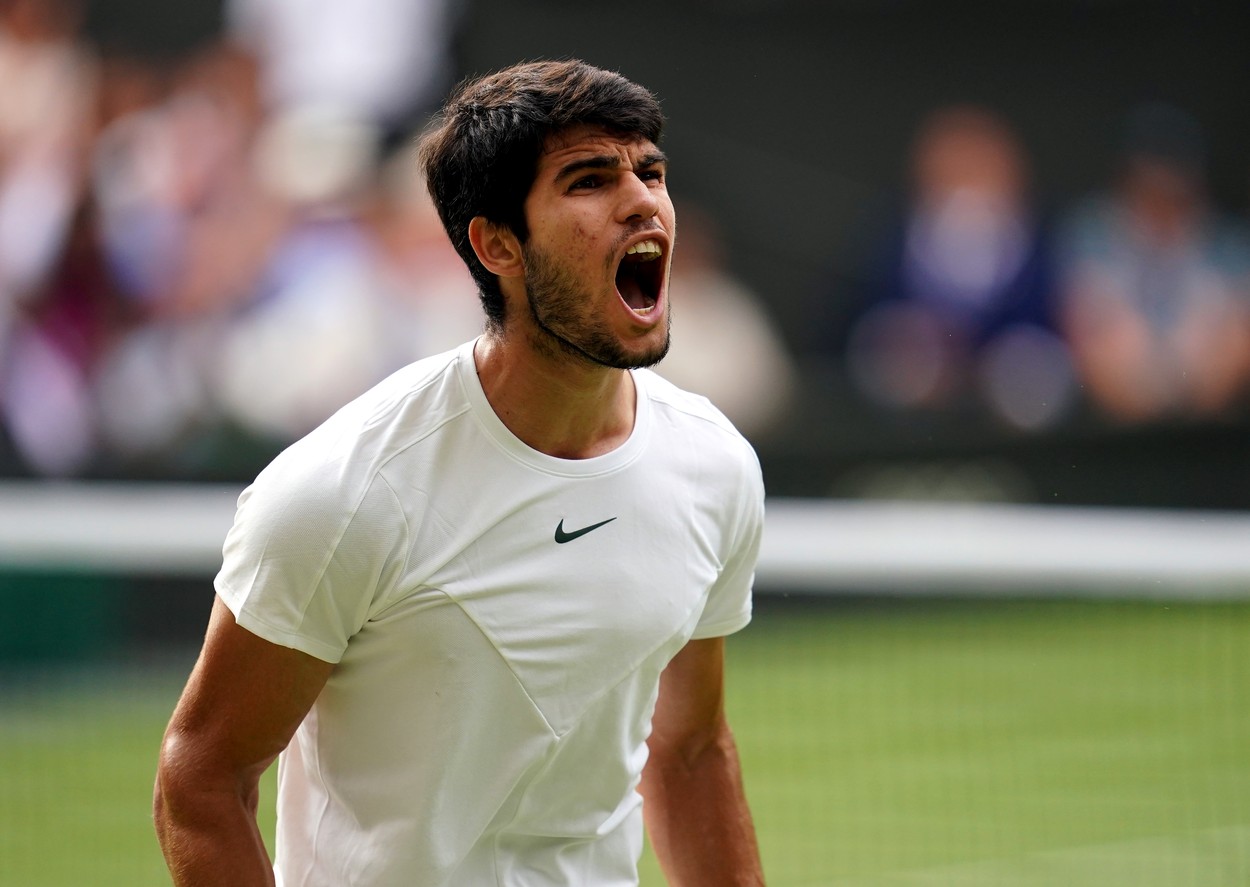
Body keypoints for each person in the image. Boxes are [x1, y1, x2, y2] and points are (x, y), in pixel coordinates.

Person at [153, 59, 767, 886]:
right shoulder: (343, 492)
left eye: (650, 171)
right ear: (496, 244)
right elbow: (200, 778)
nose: (642, 199)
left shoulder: (714, 465)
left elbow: (691, 748)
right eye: (590, 179)